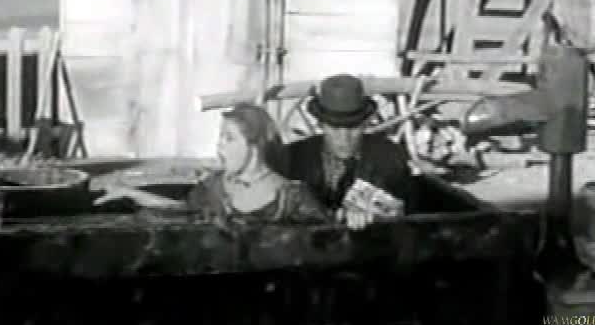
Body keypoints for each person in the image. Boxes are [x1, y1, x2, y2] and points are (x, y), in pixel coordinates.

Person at [95, 102, 329, 225]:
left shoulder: (292, 196)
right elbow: (181, 212)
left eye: (229, 138)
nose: (219, 146)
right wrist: (132, 193)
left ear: (254, 146)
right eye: (220, 138)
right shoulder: (214, 187)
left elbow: (328, 242)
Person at [283, 74, 419, 230]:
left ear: (365, 124)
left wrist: (384, 214)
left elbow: (407, 212)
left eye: (353, 128)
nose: (344, 138)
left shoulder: (391, 156)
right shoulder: (293, 158)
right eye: (335, 128)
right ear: (321, 125)